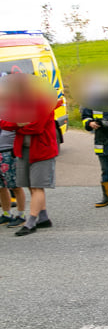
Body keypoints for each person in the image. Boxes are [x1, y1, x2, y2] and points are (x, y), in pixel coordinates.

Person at [0, 78, 59, 237]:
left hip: (42, 150)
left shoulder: (44, 105)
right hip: (24, 150)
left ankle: (30, 222)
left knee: (37, 186)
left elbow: (36, 127)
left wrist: (19, 126)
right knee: (31, 185)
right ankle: (43, 217)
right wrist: (17, 124)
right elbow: (4, 123)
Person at [0, 126, 26, 227]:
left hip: (8, 153)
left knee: (15, 186)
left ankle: (21, 215)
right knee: (1, 187)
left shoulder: (12, 116)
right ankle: (7, 214)